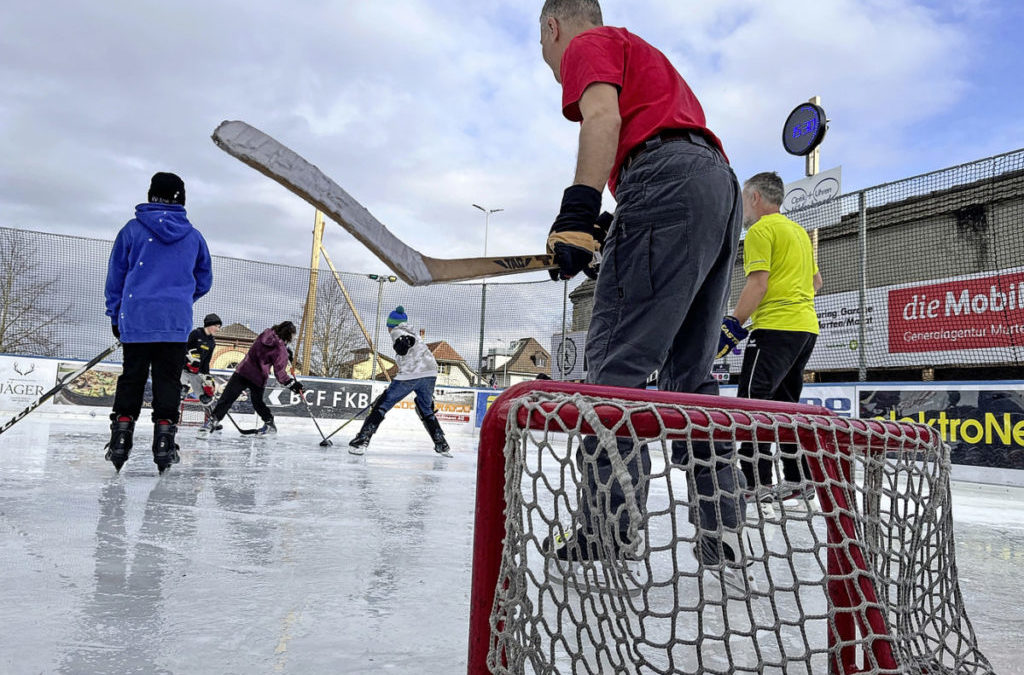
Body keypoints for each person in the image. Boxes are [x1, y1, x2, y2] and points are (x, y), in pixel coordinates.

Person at [537, 0, 746, 585]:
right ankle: (721, 534)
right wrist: (617, 223)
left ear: (553, 27)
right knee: (691, 381)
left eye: (546, 50)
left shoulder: (588, 44)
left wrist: (579, 211)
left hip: (664, 181)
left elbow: (602, 117)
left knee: (613, 372)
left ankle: (611, 528)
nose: (555, 67)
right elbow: (659, 139)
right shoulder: (648, 59)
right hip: (716, 189)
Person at [718, 172, 822, 504]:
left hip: (775, 328)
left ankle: (753, 482)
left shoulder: (761, 230)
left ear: (755, 198)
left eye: (745, 197)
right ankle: (798, 478)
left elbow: (758, 284)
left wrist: (734, 324)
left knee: (753, 404)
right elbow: (816, 282)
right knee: (786, 406)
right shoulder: (799, 233)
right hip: (805, 329)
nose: (745, 208)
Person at [104, 172, 213, 473]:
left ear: (152, 195)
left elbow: (116, 277)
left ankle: (121, 438)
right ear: (181, 199)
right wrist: (180, 298)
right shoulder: (193, 237)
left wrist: (116, 313)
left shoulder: (131, 230)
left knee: (132, 376)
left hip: (137, 317)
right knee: (167, 380)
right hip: (174, 321)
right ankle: (164, 443)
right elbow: (205, 279)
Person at [348, 306, 451, 457]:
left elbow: (404, 342)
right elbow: (412, 343)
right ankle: (441, 444)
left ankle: (362, 440)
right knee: (425, 409)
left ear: (391, 325)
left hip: (411, 374)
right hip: (430, 372)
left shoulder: (397, 331)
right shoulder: (412, 330)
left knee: (382, 404)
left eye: (388, 327)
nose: (389, 330)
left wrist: (402, 344)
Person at [200, 321, 303, 436]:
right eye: (293, 335)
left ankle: (213, 421)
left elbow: (269, 347)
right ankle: (269, 423)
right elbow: (280, 373)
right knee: (258, 403)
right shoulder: (280, 350)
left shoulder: (265, 333)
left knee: (227, 398)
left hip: (243, 371)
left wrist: (285, 349)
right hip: (258, 378)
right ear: (289, 335)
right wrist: (292, 384)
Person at [181, 313, 222, 409]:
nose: (218, 329)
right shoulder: (196, 333)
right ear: (209, 324)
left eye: (219, 327)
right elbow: (185, 348)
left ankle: (212, 421)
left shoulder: (212, 342)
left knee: (206, 398)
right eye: (216, 326)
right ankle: (169, 418)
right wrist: (192, 358)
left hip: (195, 373)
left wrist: (207, 376)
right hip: (182, 369)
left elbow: (206, 362)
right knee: (180, 392)